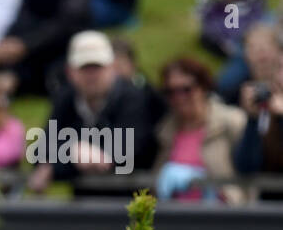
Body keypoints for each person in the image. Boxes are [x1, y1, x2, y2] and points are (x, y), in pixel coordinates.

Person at [27, 30, 157, 195]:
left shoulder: (134, 96)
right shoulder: (66, 99)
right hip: (83, 207)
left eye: (97, 67)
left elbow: (128, 153)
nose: (91, 75)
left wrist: (65, 158)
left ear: (112, 68)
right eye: (84, 67)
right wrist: (74, 151)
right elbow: (41, 151)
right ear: (70, 72)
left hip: (133, 203)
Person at [152, 57, 248, 204]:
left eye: (186, 89)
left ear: (203, 87)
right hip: (175, 219)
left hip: (223, 218)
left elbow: (250, 170)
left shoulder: (232, 121)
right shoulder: (164, 130)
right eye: (171, 92)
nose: (179, 97)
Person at [233, 59, 283, 199]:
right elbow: (246, 167)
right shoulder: (267, 115)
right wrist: (253, 119)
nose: (280, 77)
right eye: (279, 67)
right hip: (269, 210)